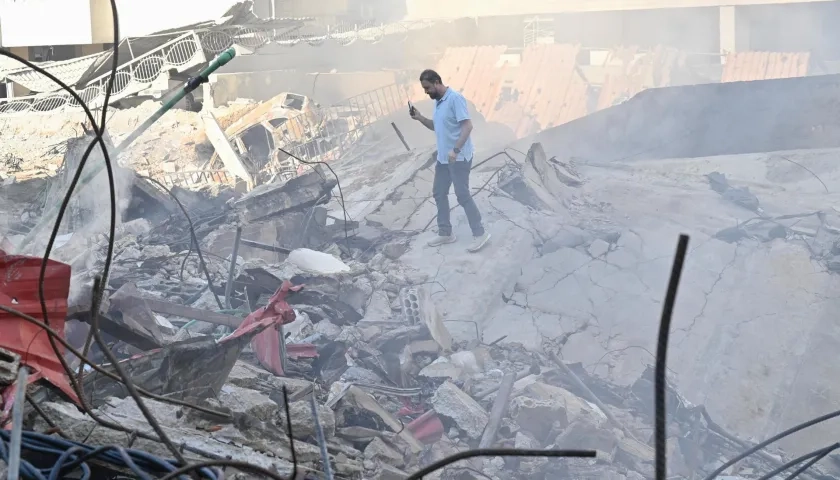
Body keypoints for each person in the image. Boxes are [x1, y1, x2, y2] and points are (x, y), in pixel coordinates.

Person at [410, 69, 491, 253]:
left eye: (428, 88)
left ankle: (480, 233)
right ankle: (446, 232)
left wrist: (455, 150)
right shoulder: (439, 102)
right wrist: (420, 118)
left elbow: (468, 126)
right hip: (444, 159)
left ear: (437, 82)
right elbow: (436, 126)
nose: (426, 92)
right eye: (424, 88)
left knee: (462, 194)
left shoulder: (455, 99)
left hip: (459, 157)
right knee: (439, 193)